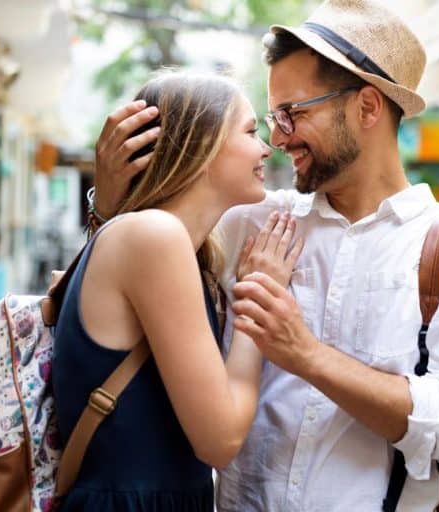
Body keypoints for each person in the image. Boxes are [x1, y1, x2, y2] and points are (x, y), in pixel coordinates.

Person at [89, 1, 439, 510]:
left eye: (293, 113)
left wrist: (307, 355)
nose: (277, 137)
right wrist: (111, 201)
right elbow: (118, 298)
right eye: (272, 118)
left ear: (367, 107)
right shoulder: (250, 220)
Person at [52, 71, 303, 511]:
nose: (266, 147)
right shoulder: (155, 236)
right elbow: (220, 439)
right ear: (199, 146)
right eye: (249, 131)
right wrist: (256, 296)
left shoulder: (177, 245)